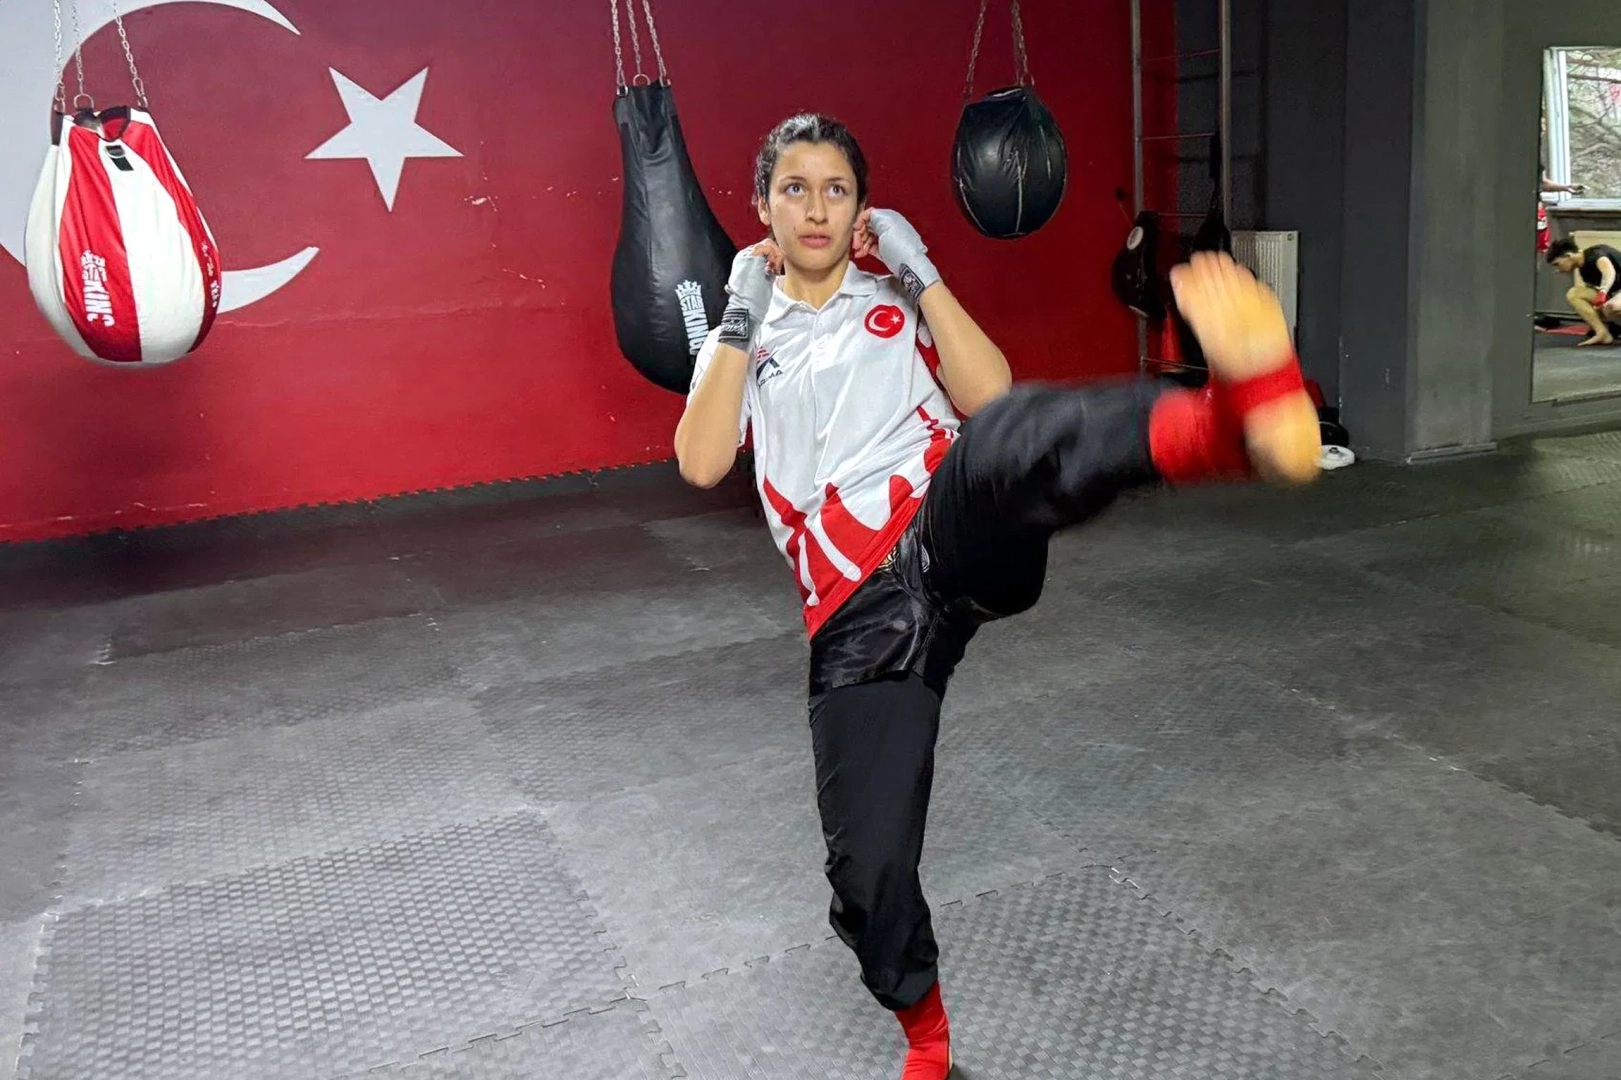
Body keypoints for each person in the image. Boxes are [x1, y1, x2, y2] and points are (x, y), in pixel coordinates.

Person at [673, 113, 1321, 1080]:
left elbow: (988, 389)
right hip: (853, 618)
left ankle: (1229, 428)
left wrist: (920, 272)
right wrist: (738, 306)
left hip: (944, 528)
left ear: (861, 208)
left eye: (836, 189)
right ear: (761, 205)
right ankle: (927, 1041)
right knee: (866, 873)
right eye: (793, 188)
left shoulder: (892, 297)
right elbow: (700, 459)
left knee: (1007, 438)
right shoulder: (745, 331)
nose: (814, 208)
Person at [1548, 237, 1621, 346]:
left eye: (1557, 264)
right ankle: (1602, 333)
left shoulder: (1596, 254)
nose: (1558, 269)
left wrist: (1602, 292)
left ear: (1568, 256)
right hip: (1616, 292)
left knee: (1611, 307)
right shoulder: (1583, 270)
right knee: (1574, 294)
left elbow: (1609, 272)